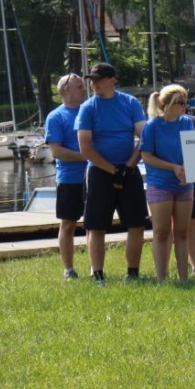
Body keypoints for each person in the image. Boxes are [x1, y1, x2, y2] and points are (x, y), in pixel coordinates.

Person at [76, 62, 148, 286]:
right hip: (99, 172)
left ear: (112, 80)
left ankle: (133, 273)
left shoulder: (130, 103)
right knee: (96, 226)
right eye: (92, 81)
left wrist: (128, 166)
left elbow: (144, 137)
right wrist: (113, 170)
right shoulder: (88, 108)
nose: (94, 84)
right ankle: (97, 274)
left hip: (129, 169)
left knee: (136, 224)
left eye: (99, 80)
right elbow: (85, 147)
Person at [141, 85, 195, 282]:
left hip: (184, 184)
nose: (184, 106)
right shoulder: (152, 126)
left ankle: (184, 278)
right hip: (160, 183)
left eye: (185, 102)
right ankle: (161, 278)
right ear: (167, 104)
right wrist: (173, 167)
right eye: (180, 102)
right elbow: (146, 155)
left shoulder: (187, 123)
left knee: (182, 232)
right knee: (161, 232)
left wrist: (187, 168)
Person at [45, 73, 88, 280]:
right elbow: (56, 151)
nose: (84, 89)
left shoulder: (89, 112)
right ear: (67, 90)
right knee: (68, 224)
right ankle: (69, 269)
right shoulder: (56, 117)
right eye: (79, 86)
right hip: (70, 179)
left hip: (94, 177)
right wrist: (87, 156)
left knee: (95, 224)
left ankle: (95, 269)